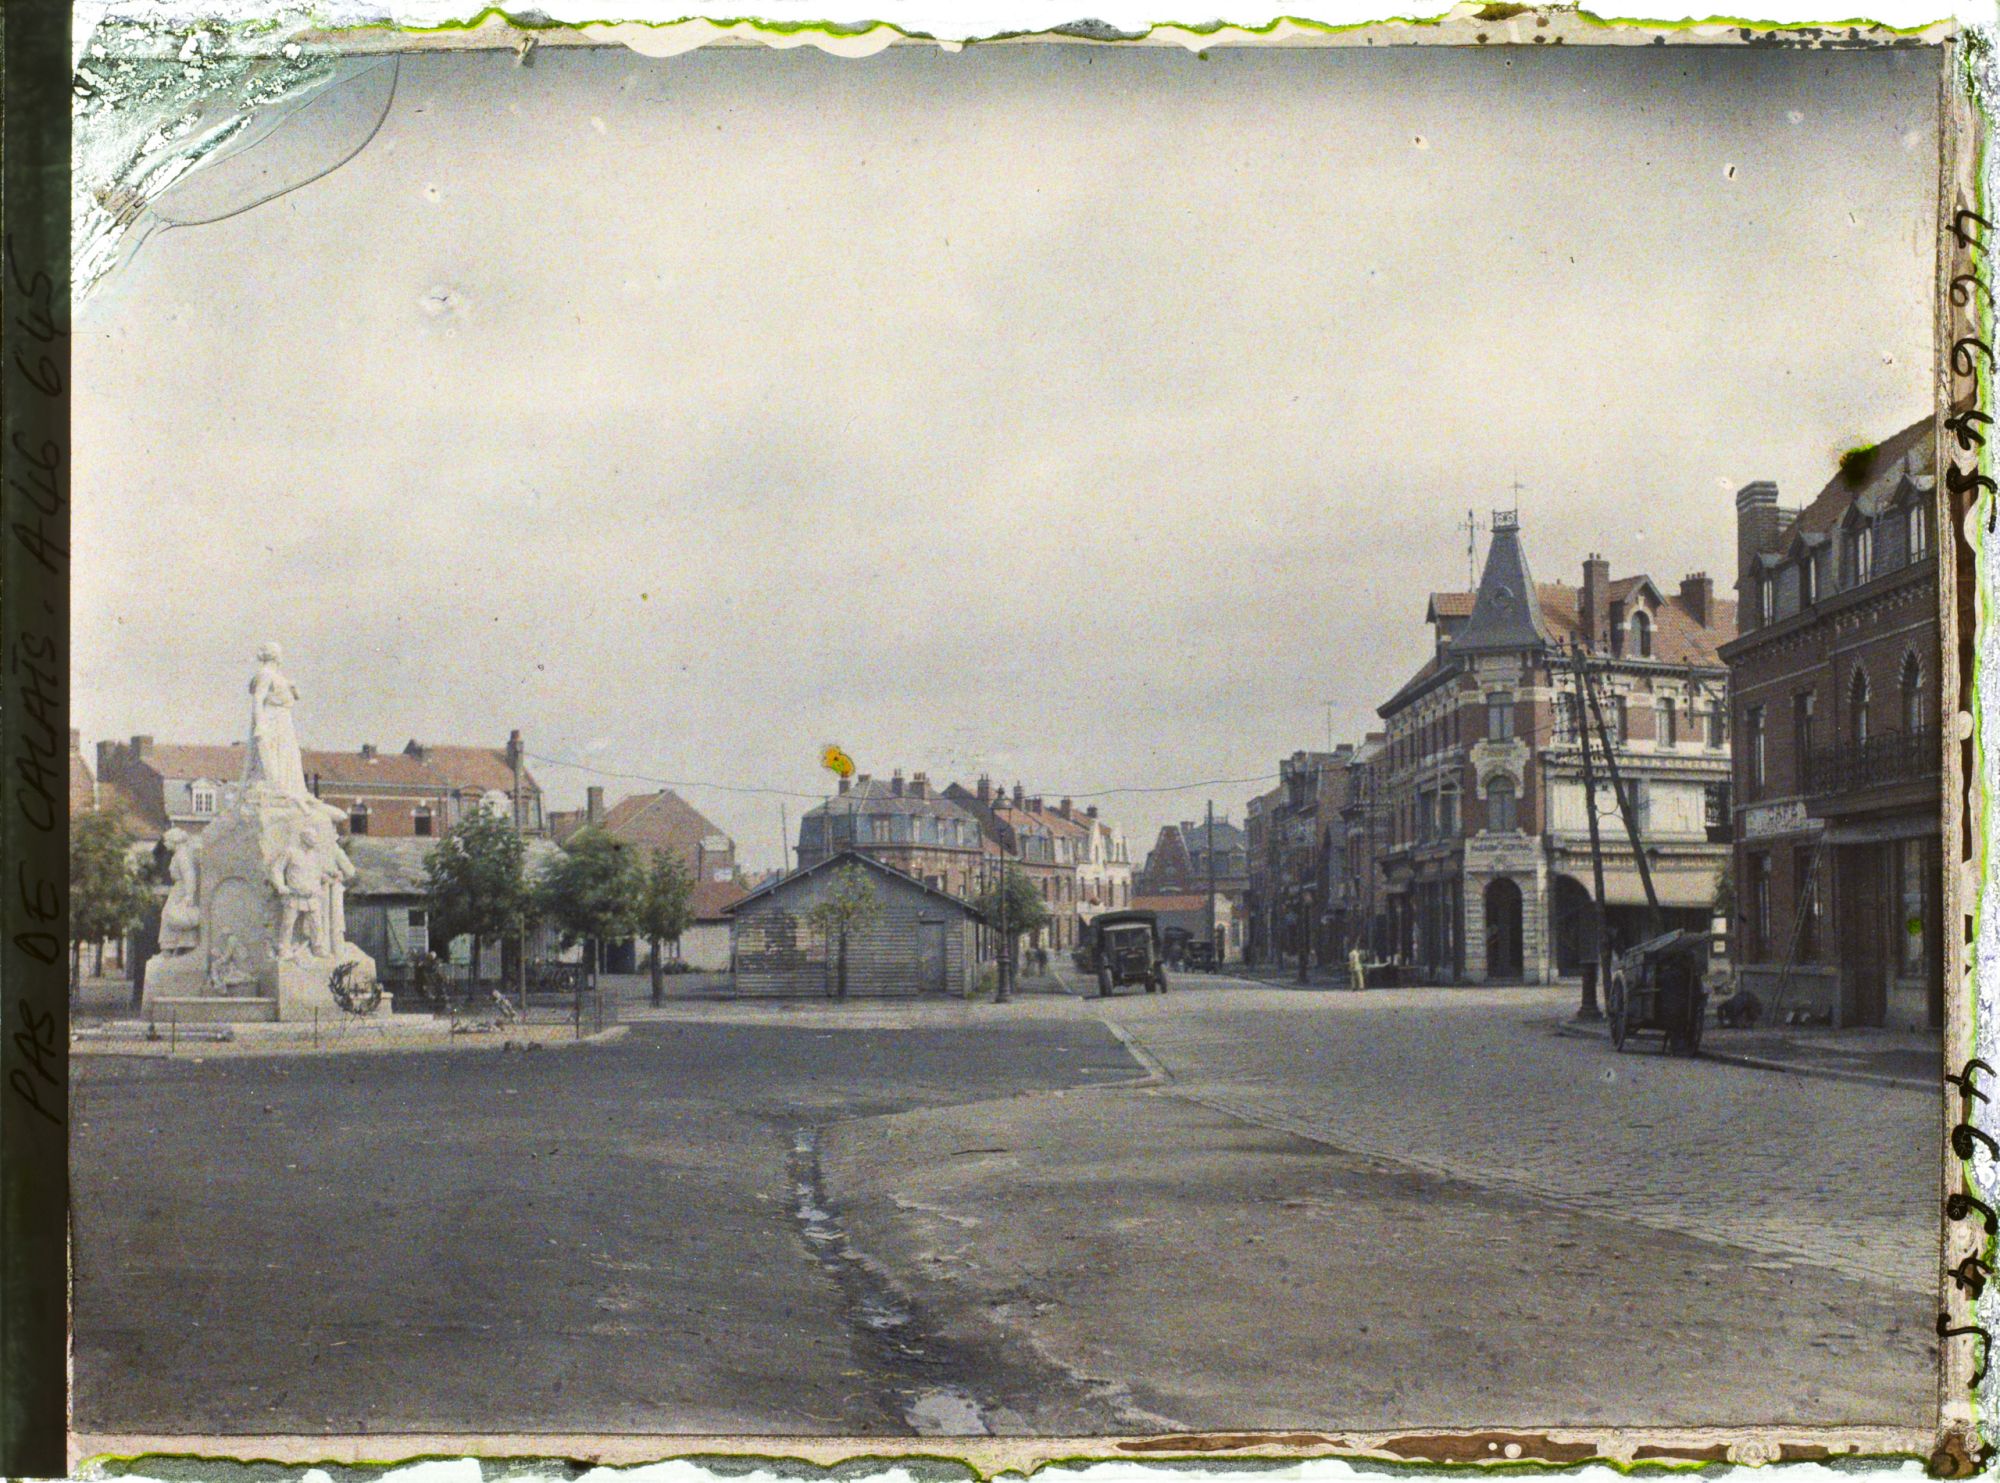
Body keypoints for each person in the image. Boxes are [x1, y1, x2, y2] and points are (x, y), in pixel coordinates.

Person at [244, 641, 308, 798]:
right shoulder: (265, 674)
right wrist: (260, 724)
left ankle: (288, 789)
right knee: (274, 754)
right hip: (272, 719)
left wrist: (292, 688)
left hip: (283, 719)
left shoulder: (278, 677)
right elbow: (258, 698)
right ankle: (278, 788)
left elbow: (296, 696)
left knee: (286, 754)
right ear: (276, 656)